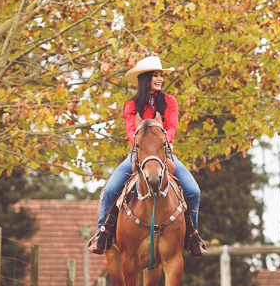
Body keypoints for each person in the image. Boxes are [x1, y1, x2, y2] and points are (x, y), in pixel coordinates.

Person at [87, 55, 207, 257]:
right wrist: (144, 145)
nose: (160, 79)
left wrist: (162, 142)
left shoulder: (170, 101)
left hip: (165, 153)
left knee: (193, 191)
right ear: (145, 78)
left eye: (161, 75)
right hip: (137, 155)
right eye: (156, 75)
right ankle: (101, 233)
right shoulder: (131, 105)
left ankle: (192, 236)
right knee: (109, 191)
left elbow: (173, 127)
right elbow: (130, 131)